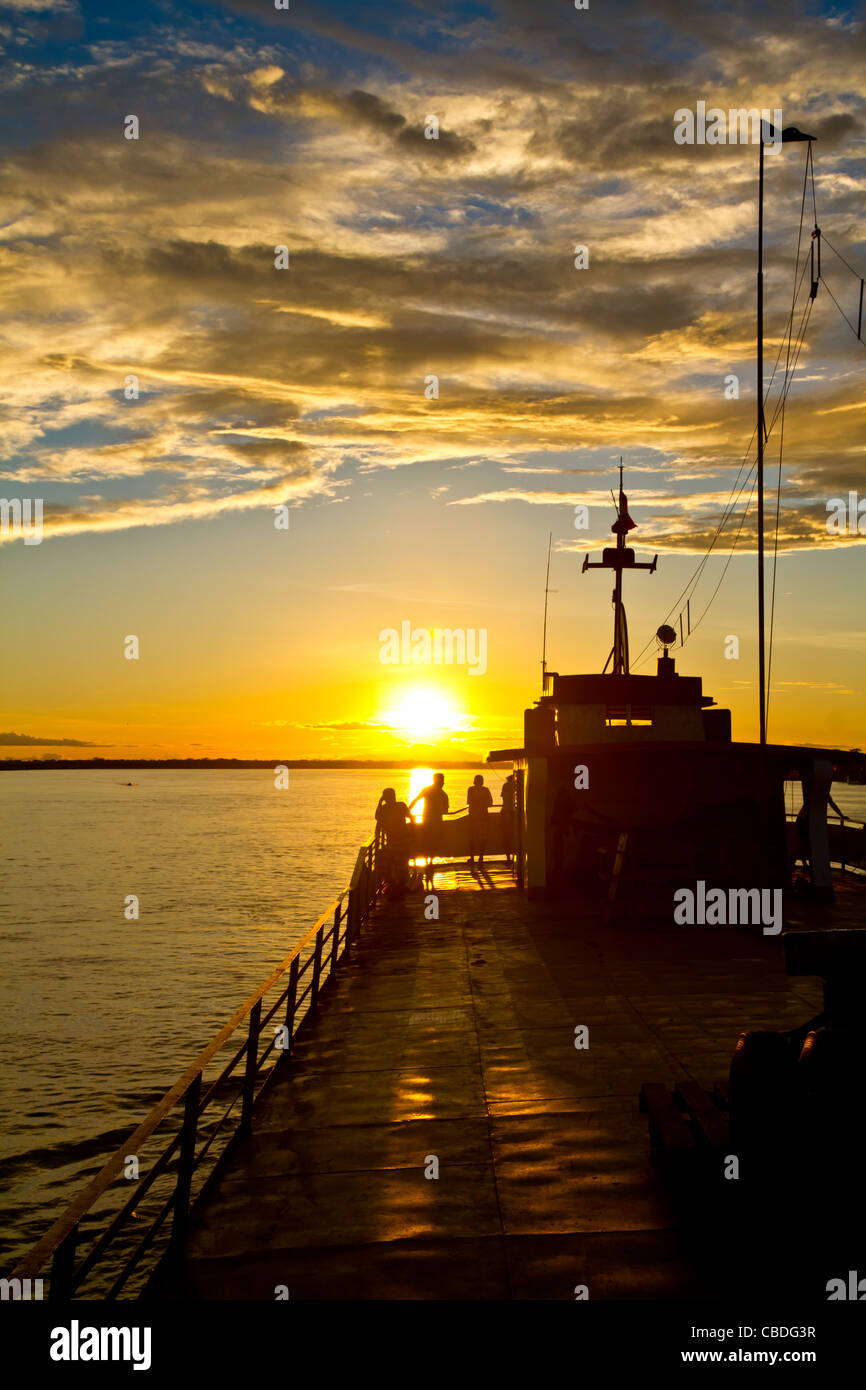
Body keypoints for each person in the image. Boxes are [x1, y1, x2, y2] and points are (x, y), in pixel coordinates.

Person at [408, 773, 448, 887]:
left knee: (431, 843)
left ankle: (428, 863)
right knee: (430, 842)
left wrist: (408, 812)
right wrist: (408, 812)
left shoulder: (440, 793)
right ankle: (429, 863)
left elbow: (415, 801)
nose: (442, 783)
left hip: (432, 821)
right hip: (431, 821)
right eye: (442, 781)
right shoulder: (439, 793)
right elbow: (445, 809)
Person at [375, 787, 414, 897]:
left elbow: (411, 818)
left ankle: (399, 887)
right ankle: (393, 885)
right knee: (383, 864)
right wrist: (380, 802)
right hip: (392, 842)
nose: (389, 799)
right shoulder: (384, 808)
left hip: (403, 841)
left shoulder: (401, 805)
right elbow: (377, 817)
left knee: (400, 866)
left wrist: (413, 835)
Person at [466, 774, 493, 870]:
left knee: (472, 839)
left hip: (473, 818)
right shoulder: (485, 790)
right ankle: (480, 858)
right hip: (483, 817)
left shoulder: (471, 789)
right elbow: (490, 803)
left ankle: (473, 858)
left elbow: (469, 801)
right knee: (482, 839)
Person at [500, 772, 516, 866]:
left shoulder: (506, 785)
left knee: (506, 836)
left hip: (506, 812)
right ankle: (509, 858)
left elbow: (503, 797)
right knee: (508, 836)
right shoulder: (513, 786)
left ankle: (508, 858)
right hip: (509, 812)